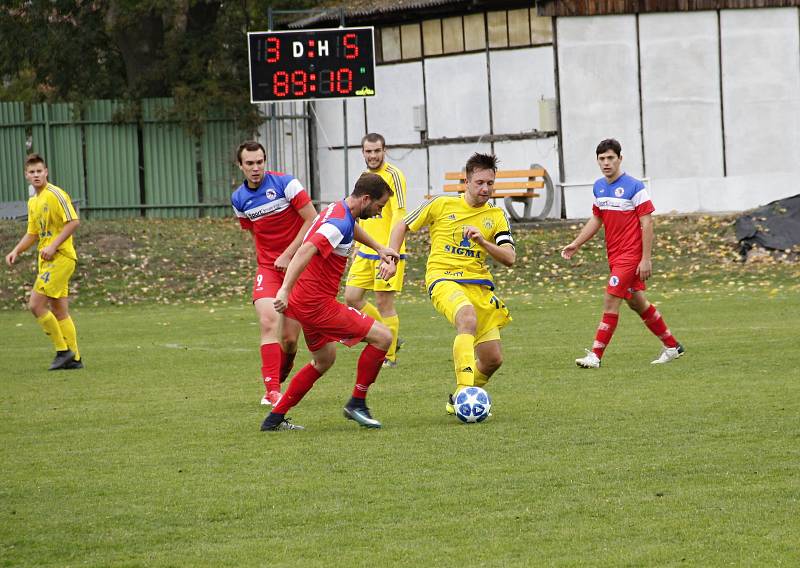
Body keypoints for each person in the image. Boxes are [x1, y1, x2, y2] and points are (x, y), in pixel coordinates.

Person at [260, 173, 399, 431]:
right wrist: (283, 290)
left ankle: (274, 419)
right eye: (379, 206)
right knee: (384, 337)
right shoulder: (337, 223)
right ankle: (357, 403)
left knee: (324, 360)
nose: (380, 213)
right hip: (316, 305)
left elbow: (351, 227)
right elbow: (305, 250)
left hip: (305, 301)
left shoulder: (341, 209)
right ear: (366, 199)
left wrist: (380, 248)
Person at [380, 153, 516, 415]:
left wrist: (483, 242)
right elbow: (401, 226)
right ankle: (466, 393)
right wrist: (391, 259)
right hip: (443, 278)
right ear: (466, 181)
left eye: (490, 183)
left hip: (479, 287)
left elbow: (510, 258)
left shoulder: (496, 216)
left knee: (492, 360)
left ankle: (457, 399)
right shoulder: (440, 204)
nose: (485, 189)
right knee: (466, 317)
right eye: (479, 183)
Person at [561, 138, 685, 368]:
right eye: (602, 159)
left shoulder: (635, 187)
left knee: (610, 301)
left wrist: (646, 259)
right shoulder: (599, 186)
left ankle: (595, 356)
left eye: (610, 158)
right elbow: (597, 218)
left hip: (630, 257)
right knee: (637, 303)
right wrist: (576, 243)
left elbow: (647, 223)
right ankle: (672, 346)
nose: (606, 163)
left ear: (620, 158)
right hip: (615, 256)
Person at [231, 141, 317, 405]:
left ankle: (283, 370)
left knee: (290, 340)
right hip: (268, 269)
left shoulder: (286, 184)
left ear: (265, 161)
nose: (255, 168)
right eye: (249, 164)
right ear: (241, 166)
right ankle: (272, 391)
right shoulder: (239, 199)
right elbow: (254, 232)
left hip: (296, 266)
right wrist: (268, 259)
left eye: (259, 162)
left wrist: (288, 254)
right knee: (268, 323)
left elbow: (311, 218)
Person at [5, 153, 82, 370]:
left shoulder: (55, 194)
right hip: (47, 261)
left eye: (40, 171)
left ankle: (63, 351)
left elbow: (74, 221)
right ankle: (74, 358)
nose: (36, 175)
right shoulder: (34, 201)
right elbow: (33, 233)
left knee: (35, 305)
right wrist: (16, 251)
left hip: (61, 258)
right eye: (32, 172)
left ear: (46, 172)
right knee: (59, 311)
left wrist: (53, 245)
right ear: (26, 175)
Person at [344, 133, 408, 368]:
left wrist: (392, 252)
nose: (372, 155)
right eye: (368, 151)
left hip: (387, 251)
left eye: (376, 151)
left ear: (384, 150)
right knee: (351, 297)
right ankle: (388, 334)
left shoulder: (395, 176)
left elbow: (401, 216)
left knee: (384, 303)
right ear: (362, 152)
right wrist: (354, 246)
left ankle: (389, 356)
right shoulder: (363, 177)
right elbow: (357, 212)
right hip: (364, 249)